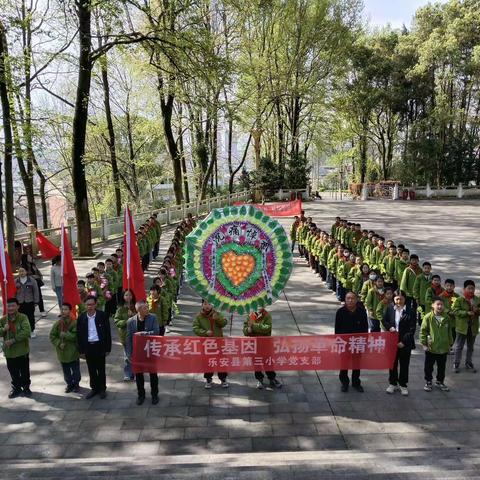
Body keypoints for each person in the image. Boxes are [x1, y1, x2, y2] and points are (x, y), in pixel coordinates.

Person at [77, 296, 112, 399]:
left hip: (100, 345)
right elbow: (79, 335)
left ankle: (102, 389)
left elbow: (107, 333)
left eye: (92, 304)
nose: (90, 307)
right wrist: (81, 350)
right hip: (88, 346)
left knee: (101, 369)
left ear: (96, 304)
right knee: (91, 369)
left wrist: (108, 348)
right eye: (88, 304)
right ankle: (94, 388)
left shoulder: (102, 315)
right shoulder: (82, 318)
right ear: (85, 305)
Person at [382, 291, 416, 396]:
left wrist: (403, 341)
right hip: (392, 340)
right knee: (392, 363)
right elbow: (384, 320)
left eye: (401, 299)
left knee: (404, 364)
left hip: (405, 342)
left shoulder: (410, 311)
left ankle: (403, 385)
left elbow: (412, 329)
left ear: (405, 299)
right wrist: (389, 327)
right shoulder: (389, 308)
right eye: (396, 299)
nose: (398, 301)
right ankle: (392, 383)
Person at [126, 300, 160, 405]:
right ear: (139, 310)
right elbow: (129, 338)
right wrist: (129, 354)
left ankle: (155, 395)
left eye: (147, 307)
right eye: (145, 308)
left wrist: (143, 334)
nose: (147, 309)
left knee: (153, 374)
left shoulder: (153, 317)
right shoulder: (131, 321)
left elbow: (156, 332)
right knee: (139, 375)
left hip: (150, 350)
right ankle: (141, 395)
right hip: (138, 352)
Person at [334, 291, 368, 393]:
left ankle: (356, 382)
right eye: (348, 298)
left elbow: (365, 328)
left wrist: (364, 342)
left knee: (356, 364)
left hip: (357, 343)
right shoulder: (340, 312)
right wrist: (338, 343)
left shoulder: (361, 312)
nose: (350, 300)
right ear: (345, 299)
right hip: (344, 343)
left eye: (352, 298)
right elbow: (337, 329)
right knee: (344, 364)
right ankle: (344, 382)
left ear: (356, 300)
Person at [243, 308, 282, 390]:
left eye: (260, 305)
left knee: (268, 362)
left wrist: (253, 326)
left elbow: (267, 328)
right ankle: (259, 379)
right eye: (256, 305)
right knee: (257, 362)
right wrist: (248, 330)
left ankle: (272, 378)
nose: (258, 307)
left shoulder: (267, 316)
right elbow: (245, 329)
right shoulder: (250, 316)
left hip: (265, 344)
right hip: (253, 345)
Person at [0, 298, 32, 398]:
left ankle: (26, 387)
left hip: (22, 350)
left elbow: (26, 331)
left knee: (24, 371)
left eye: (13, 305)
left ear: (18, 306)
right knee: (13, 371)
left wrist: (13, 340)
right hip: (9, 351)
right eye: (8, 306)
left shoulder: (23, 317)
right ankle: (16, 388)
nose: (10, 308)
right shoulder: (3, 320)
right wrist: (3, 329)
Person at [193, 301, 229, 389]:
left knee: (221, 360)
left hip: (219, 343)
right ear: (202, 305)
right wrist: (205, 332)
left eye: (209, 304)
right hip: (207, 344)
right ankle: (208, 379)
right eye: (205, 304)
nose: (207, 306)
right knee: (208, 361)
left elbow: (224, 323)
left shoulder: (217, 314)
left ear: (212, 305)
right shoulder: (199, 316)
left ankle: (223, 378)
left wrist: (217, 319)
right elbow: (195, 328)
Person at [420, 297, 452, 392]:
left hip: (443, 348)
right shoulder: (428, 317)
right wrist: (424, 344)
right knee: (429, 366)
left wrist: (450, 344)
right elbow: (423, 331)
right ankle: (428, 381)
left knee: (442, 366)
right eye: (437, 304)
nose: (439, 306)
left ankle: (440, 381)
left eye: (441, 304)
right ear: (432, 305)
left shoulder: (447, 318)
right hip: (431, 347)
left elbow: (449, 331)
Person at [49, 303, 81, 393]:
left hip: (73, 351)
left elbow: (76, 335)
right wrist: (59, 343)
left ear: (70, 311)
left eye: (66, 309)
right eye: (62, 309)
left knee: (75, 370)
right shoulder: (58, 323)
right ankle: (69, 384)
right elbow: (52, 336)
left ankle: (76, 383)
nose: (63, 311)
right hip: (62, 351)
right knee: (66, 370)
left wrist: (66, 335)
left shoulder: (74, 322)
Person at [452, 280, 480, 373]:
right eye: (469, 288)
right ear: (464, 289)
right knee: (459, 346)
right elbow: (455, 311)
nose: (471, 290)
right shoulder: (460, 299)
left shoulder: (477, 299)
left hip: (473, 327)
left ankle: (468, 362)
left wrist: (477, 311)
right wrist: (466, 312)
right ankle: (456, 363)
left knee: (470, 347)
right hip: (462, 327)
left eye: (473, 288)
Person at [114, 289, 137, 381]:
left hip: (136, 335)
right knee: (127, 356)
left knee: (135, 355)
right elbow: (117, 321)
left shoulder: (136, 307)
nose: (128, 297)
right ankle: (128, 373)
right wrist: (126, 321)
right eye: (126, 295)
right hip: (125, 335)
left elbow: (142, 317)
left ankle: (135, 373)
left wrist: (134, 315)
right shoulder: (120, 309)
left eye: (130, 295)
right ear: (123, 297)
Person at [21, 244, 46, 317]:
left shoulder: (32, 261)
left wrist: (39, 275)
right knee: (30, 296)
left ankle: (42, 310)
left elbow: (36, 269)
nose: (28, 250)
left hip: (36, 280)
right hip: (28, 281)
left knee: (39, 295)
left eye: (29, 249)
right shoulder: (23, 262)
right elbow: (24, 272)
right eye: (26, 249)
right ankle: (32, 311)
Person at [15, 267, 39, 338]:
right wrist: (14, 303)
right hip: (19, 302)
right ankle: (22, 332)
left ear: (26, 272)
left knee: (30, 317)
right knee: (20, 317)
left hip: (29, 301)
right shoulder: (15, 281)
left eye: (23, 271)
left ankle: (31, 331)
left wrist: (36, 301)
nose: (21, 273)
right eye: (20, 272)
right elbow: (14, 293)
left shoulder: (32, 280)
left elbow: (36, 291)